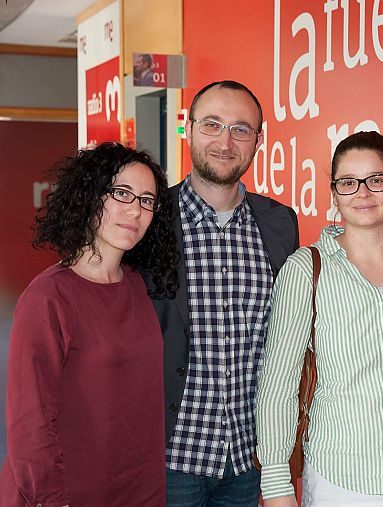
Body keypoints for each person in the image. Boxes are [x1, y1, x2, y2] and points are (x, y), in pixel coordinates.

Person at [0, 142, 178, 507]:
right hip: (65, 493)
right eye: (121, 193)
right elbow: (29, 424)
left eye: (146, 200)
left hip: (137, 487)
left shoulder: (140, 287)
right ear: (91, 196)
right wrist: (53, 499)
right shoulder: (48, 299)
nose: (134, 210)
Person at [148, 80, 299, 507]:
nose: (225, 142)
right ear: (189, 128)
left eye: (241, 129)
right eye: (212, 125)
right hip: (171, 457)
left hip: (248, 460)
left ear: (258, 141)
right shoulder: (151, 222)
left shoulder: (279, 224)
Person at [256, 131, 383, 507]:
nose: (363, 193)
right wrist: (276, 484)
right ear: (334, 193)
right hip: (339, 480)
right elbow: (279, 384)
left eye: (376, 180)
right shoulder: (306, 269)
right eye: (348, 183)